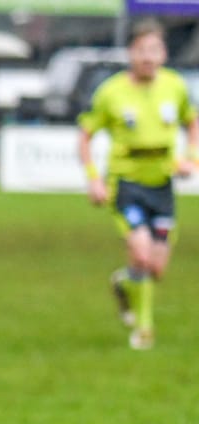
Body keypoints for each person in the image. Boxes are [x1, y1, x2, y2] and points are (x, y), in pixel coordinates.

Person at [80, 18, 199, 351]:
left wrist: (192, 157)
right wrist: (94, 179)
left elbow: (193, 122)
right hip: (127, 184)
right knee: (144, 257)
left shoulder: (174, 86)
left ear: (163, 54)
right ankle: (144, 330)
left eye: (155, 50)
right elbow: (85, 135)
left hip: (162, 185)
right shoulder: (111, 92)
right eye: (142, 50)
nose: (149, 57)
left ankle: (124, 284)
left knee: (156, 269)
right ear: (130, 52)